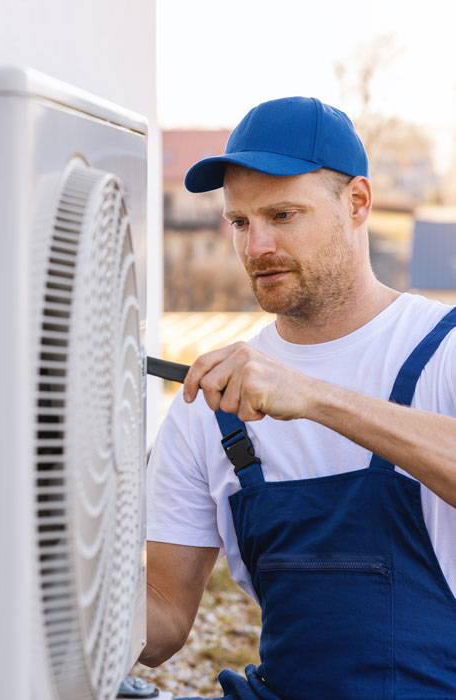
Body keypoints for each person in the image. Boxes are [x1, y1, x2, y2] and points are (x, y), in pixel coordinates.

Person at [140, 96, 456, 700]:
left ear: (357, 203)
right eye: (240, 222)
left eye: (283, 216)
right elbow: (162, 625)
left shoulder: (443, 351)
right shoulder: (208, 400)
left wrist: (313, 396)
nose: (256, 247)